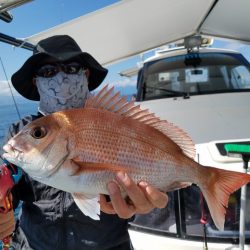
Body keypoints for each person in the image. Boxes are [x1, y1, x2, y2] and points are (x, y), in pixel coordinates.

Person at [0, 35, 168, 250]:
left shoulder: (113, 120)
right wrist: (3, 204)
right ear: (36, 81)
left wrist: (144, 208)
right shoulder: (21, 132)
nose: (61, 80)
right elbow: (8, 183)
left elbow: (157, 185)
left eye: (71, 68)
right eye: (48, 72)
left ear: (86, 75)